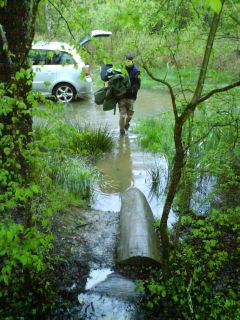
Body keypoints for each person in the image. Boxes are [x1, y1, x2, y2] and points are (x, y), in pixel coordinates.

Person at [118, 53, 141, 135]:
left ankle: (126, 124)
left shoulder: (137, 71)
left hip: (131, 97)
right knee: (122, 116)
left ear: (132, 61)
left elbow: (138, 86)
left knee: (129, 116)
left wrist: (127, 90)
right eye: (126, 60)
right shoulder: (121, 69)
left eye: (129, 61)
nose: (127, 62)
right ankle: (121, 131)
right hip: (121, 97)